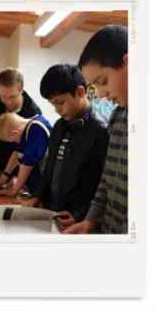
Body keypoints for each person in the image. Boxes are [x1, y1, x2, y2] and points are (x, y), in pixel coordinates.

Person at [26, 64, 110, 232]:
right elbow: (49, 169)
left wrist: (81, 214)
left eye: (60, 102)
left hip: (79, 222)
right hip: (53, 215)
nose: (57, 110)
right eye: (52, 104)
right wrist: (39, 195)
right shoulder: (58, 126)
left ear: (80, 92)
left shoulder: (101, 129)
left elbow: (107, 184)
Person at [64, 25, 129, 235]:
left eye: (103, 82)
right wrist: (91, 220)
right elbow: (108, 176)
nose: (100, 94)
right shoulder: (117, 116)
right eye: (95, 86)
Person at [0, 111, 50, 198]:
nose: (16, 143)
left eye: (13, 141)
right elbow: (17, 153)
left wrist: (13, 191)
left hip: (46, 188)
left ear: (15, 132)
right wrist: (5, 176)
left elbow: (27, 164)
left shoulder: (36, 129)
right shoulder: (24, 127)